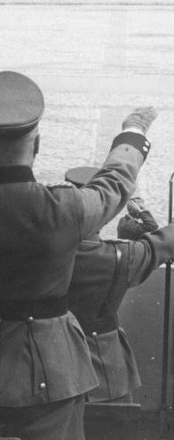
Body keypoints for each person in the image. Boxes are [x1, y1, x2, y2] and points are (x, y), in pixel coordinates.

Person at [0, 70, 156, 440]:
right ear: (37, 144)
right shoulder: (65, 207)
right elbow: (115, 182)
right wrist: (134, 131)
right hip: (55, 381)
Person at [64, 166, 174, 403]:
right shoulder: (121, 256)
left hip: (47, 369)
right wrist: (148, 226)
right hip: (105, 373)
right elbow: (163, 245)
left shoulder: (38, 252)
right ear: (104, 213)